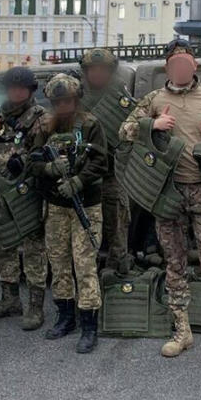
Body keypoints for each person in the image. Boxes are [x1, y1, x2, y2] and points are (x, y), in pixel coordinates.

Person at [118, 40, 201, 366]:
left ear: (194, 67)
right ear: (168, 68)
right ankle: (182, 332)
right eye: (175, 63)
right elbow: (125, 130)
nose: (181, 69)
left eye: (186, 63)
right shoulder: (154, 100)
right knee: (174, 263)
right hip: (168, 192)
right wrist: (153, 125)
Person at [27, 73, 108, 353]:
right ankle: (65, 317)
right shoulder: (44, 126)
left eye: (68, 100)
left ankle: (89, 326)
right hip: (56, 206)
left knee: (84, 265)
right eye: (57, 101)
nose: (63, 105)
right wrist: (49, 170)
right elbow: (34, 161)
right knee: (59, 263)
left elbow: (100, 161)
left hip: (85, 203)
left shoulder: (90, 124)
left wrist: (78, 180)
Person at [0, 66, 49, 329]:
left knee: (34, 250)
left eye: (21, 88)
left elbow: (43, 159)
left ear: (30, 91)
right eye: (12, 88)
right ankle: (10, 299)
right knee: (4, 245)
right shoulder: (2, 115)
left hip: (26, 195)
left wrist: (25, 164)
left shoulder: (39, 119)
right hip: (0, 193)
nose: (16, 92)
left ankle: (35, 306)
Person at [78, 48, 135, 273]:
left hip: (113, 174)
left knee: (117, 228)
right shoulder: (76, 98)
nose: (97, 74)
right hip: (84, 176)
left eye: (103, 70)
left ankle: (116, 277)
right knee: (84, 233)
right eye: (93, 70)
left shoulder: (120, 99)